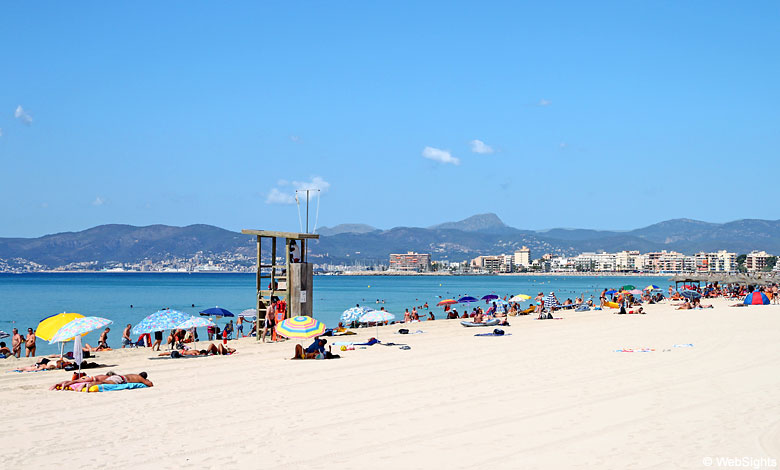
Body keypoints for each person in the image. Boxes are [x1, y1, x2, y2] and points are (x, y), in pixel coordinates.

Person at [51, 371, 153, 391]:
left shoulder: (132, 374)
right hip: (119, 379)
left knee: (75, 381)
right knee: (104, 383)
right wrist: (146, 381)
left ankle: (60, 384)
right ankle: (87, 385)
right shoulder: (139, 378)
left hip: (120, 377)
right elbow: (150, 384)